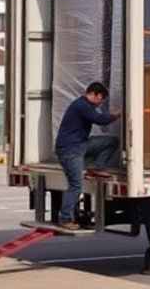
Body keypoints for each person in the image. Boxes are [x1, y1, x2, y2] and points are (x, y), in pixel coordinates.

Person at [55, 82, 120, 230]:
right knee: (76, 186)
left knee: (111, 141)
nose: (100, 104)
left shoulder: (83, 105)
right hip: (70, 150)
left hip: (80, 145)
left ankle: (96, 167)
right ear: (95, 94)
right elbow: (100, 120)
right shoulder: (82, 106)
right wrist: (118, 114)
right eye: (101, 100)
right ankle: (65, 219)